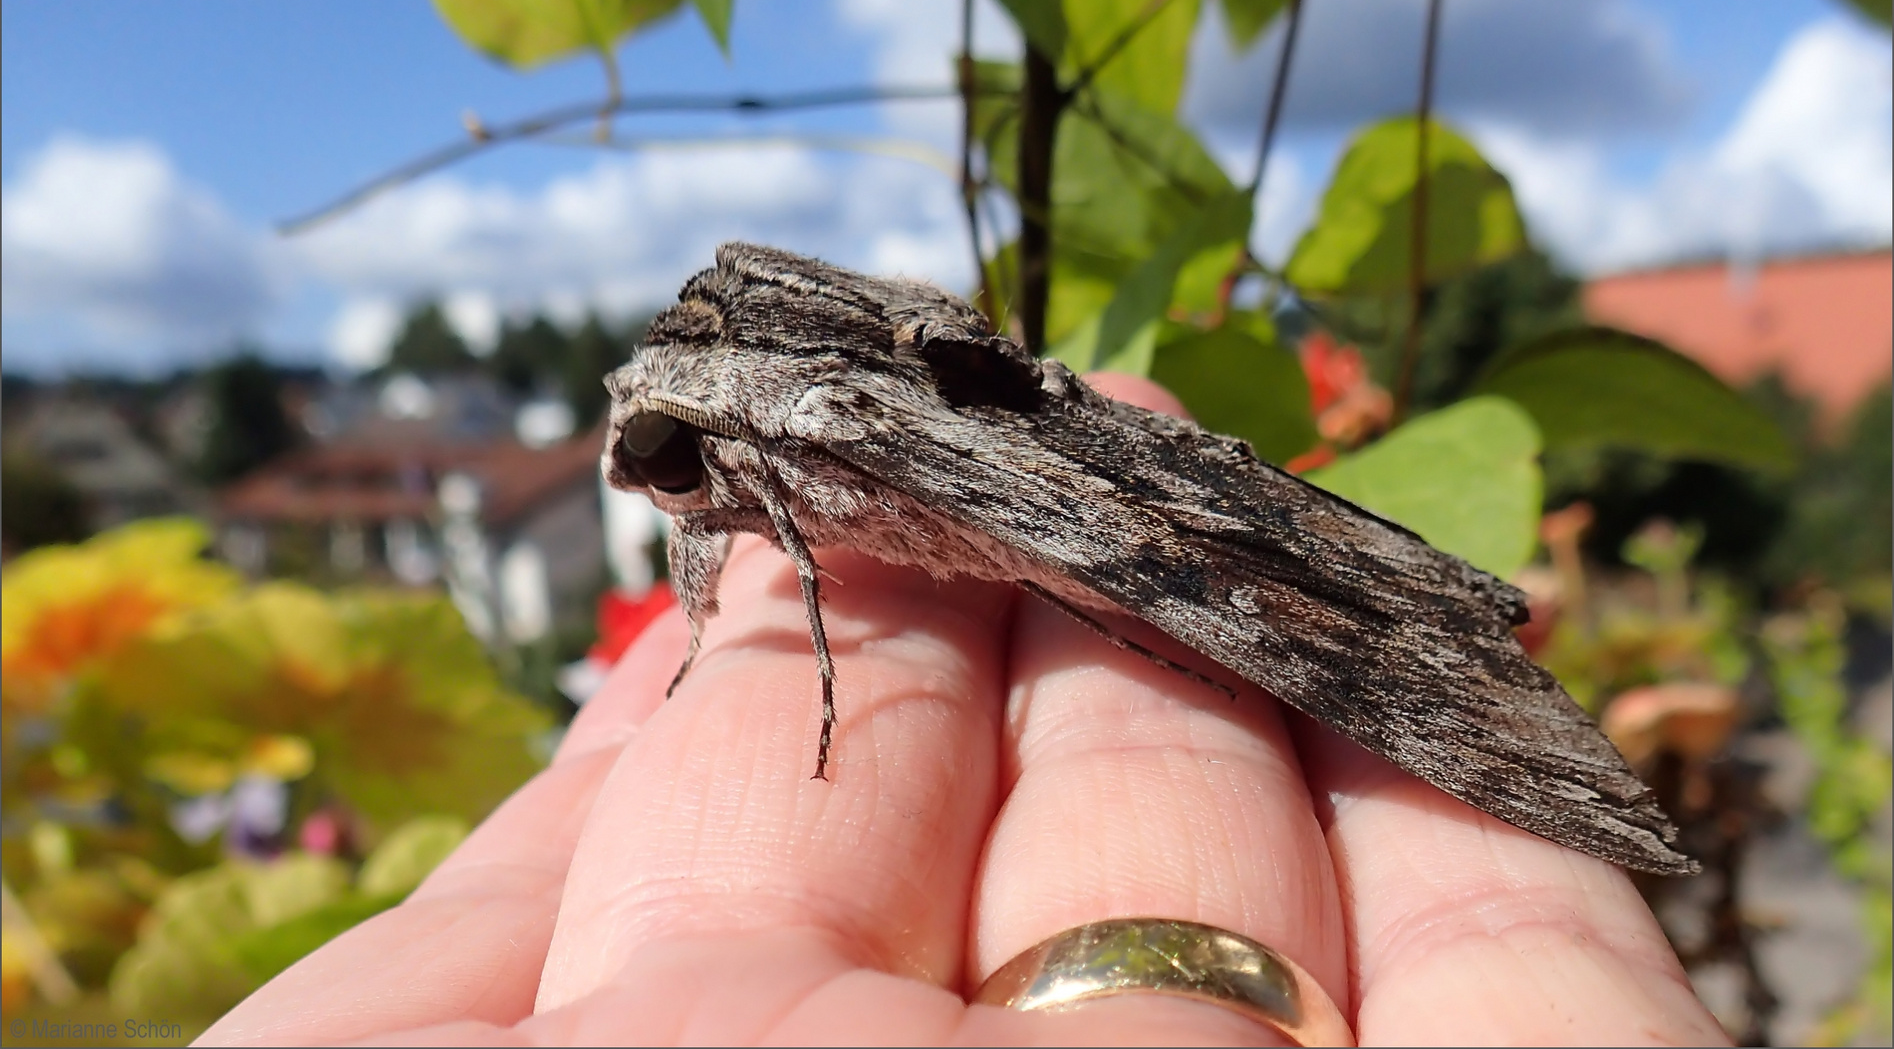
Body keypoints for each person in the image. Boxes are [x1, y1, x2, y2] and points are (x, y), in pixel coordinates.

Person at [197, 376, 1728, 1046]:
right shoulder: (728, 480)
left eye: (659, 458)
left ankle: (1471, 673)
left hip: (1081, 524)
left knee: (1173, 576)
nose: (654, 485)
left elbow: (815, 543)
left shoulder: (798, 475)